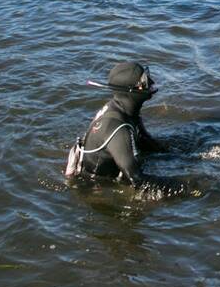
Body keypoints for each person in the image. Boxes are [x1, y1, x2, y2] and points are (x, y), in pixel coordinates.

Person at [64, 62, 178, 193]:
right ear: (131, 90)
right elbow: (137, 179)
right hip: (98, 189)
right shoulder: (118, 127)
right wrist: (187, 187)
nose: (151, 82)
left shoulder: (126, 111)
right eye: (144, 81)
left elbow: (148, 143)